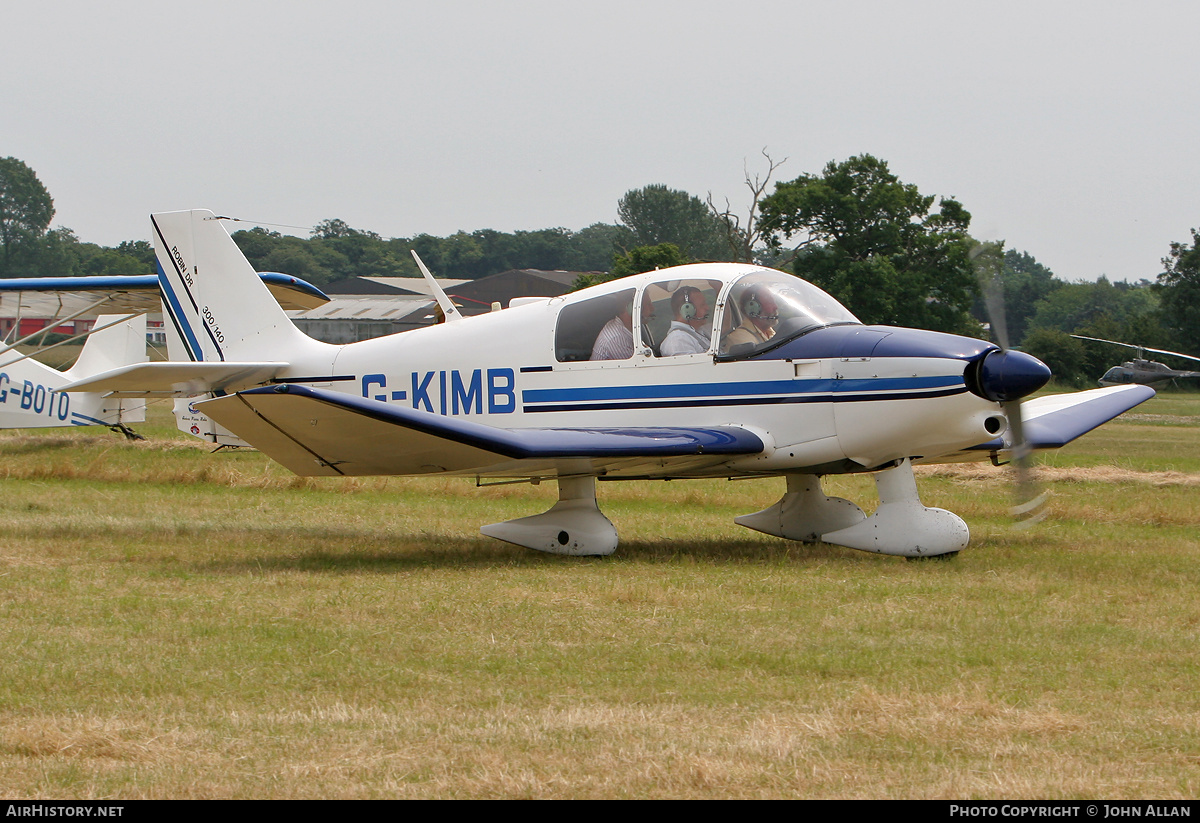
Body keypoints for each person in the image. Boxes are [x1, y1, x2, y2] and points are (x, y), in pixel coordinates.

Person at [659, 287, 712, 356]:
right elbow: (694, 367)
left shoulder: (699, 331)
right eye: (702, 305)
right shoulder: (678, 340)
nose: (707, 308)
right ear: (687, 310)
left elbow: (725, 327)